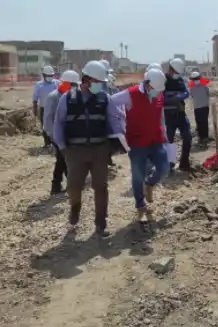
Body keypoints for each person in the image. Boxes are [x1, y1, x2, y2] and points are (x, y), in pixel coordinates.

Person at [52, 60, 120, 237]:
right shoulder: (68, 98)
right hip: (75, 151)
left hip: (100, 149)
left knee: (101, 187)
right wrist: (63, 149)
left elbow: (114, 122)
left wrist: (116, 144)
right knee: (74, 186)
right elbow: (58, 124)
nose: (99, 86)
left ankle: (101, 223)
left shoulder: (105, 98)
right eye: (97, 82)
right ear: (87, 80)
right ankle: (75, 207)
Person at [109, 67, 170, 230]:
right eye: (155, 90)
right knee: (137, 176)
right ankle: (140, 206)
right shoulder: (130, 94)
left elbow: (160, 116)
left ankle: (150, 183)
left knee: (164, 168)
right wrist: (120, 123)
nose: (157, 93)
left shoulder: (159, 94)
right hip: (137, 143)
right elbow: (111, 102)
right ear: (147, 84)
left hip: (156, 139)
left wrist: (165, 134)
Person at [43, 70, 79, 196]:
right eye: (74, 85)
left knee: (63, 160)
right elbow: (47, 118)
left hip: (68, 134)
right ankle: (61, 185)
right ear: (67, 83)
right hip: (57, 134)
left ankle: (58, 186)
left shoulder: (72, 96)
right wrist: (52, 135)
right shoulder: (53, 96)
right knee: (63, 159)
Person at [162, 58, 193, 171]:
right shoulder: (163, 80)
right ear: (170, 69)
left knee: (188, 137)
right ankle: (170, 164)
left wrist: (177, 97)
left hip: (180, 114)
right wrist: (169, 99)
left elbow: (186, 92)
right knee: (170, 140)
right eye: (175, 72)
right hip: (169, 115)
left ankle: (184, 162)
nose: (176, 74)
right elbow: (160, 96)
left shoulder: (180, 80)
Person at [32, 65, 60, 148]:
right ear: (43, 75)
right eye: (48, 76)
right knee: (45, 125)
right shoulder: (38, 85)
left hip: (56, 108)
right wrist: (35, 109)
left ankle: (55, 142)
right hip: (44, 108)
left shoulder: (57, 83)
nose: (50, 77)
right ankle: (47, 143)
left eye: (51, 76)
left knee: (56, 124)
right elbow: (35, 98)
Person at [187, 70, 211, 147]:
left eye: (197, 79)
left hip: (203, 107)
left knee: (203, 122)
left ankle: (204, 137)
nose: (196, 80)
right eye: (194, 79)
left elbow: (208, 93)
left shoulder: (203, 85)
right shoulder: (192, 87)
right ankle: (201, 137)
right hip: (198, 107)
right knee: (200, 123)